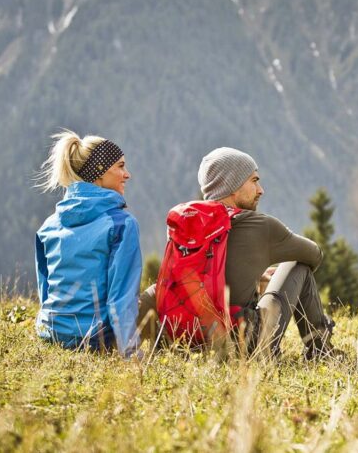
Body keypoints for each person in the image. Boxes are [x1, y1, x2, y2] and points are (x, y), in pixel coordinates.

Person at [140, 147, 336, 359]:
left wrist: (253, 272)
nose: (260, 190)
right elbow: (314, 254)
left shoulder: (186, 225)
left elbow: (208, 272)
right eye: (254, 180)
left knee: (160, 288)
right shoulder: (261, 225)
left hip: (182, 341)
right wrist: (268, 267)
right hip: (244, 343)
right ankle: (320, 350)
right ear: (232, 186)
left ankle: (119, 343)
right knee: (298, 267)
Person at [34, 130, 142, 356]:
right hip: (93, 339)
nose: (127, 174)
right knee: (154, 300)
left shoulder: (48, 225)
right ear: (100, 172)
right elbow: (121, 298)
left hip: (49, 332)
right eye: (120, 166)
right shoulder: (121, 224)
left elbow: (46, 291)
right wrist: (132, 356)